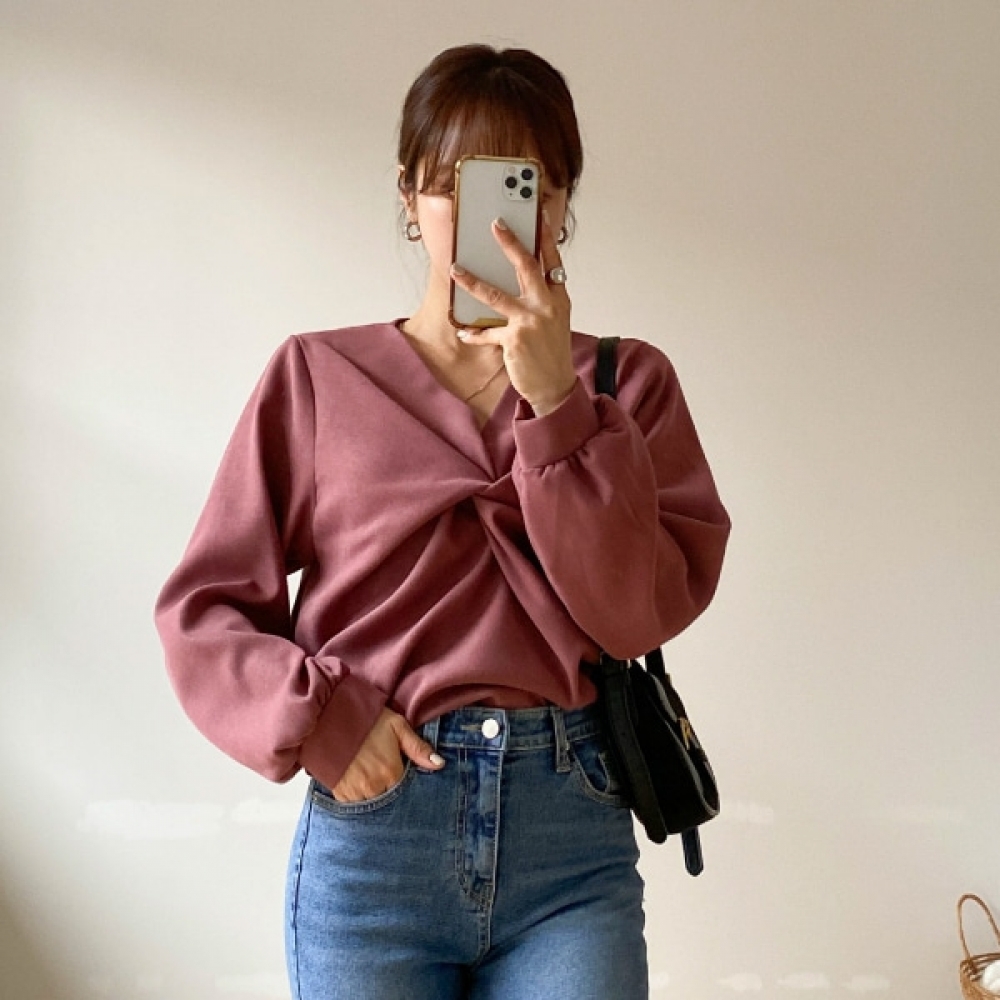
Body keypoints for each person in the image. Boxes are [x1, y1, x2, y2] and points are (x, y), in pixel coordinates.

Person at [154, 43, 730, 1000]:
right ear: (408, 194)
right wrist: (325, 723)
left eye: (520, 186)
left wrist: (558, 406)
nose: (483, 218)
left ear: (559, 205)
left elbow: (632, 618)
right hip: (376, 840)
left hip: (570, 839)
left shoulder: (627, 385)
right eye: (451, 184)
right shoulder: (316, 376)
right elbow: (204, 610)